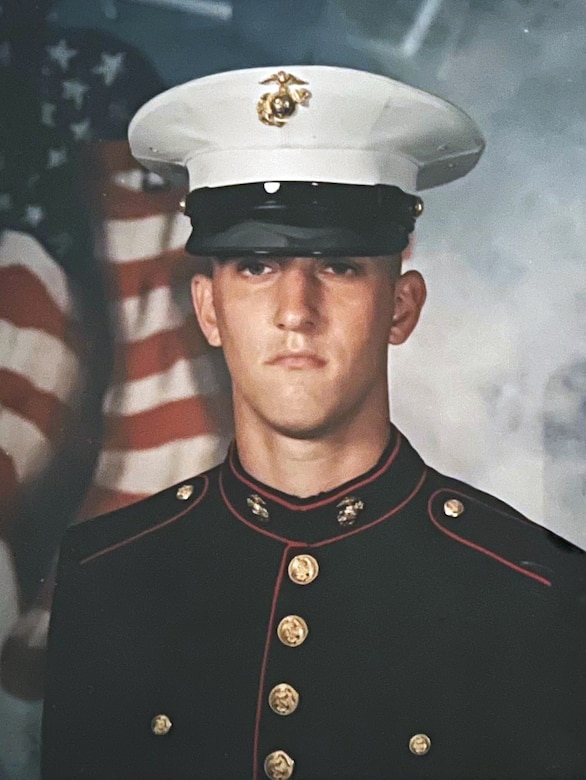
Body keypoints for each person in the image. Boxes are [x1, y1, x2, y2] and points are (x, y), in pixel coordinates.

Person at [41, 66, 586, 780]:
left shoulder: (536, 597)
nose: (296, 309)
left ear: (401, 307)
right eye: (258, 265)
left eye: (338, 266)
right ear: (208, 309)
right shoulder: (108, 577)